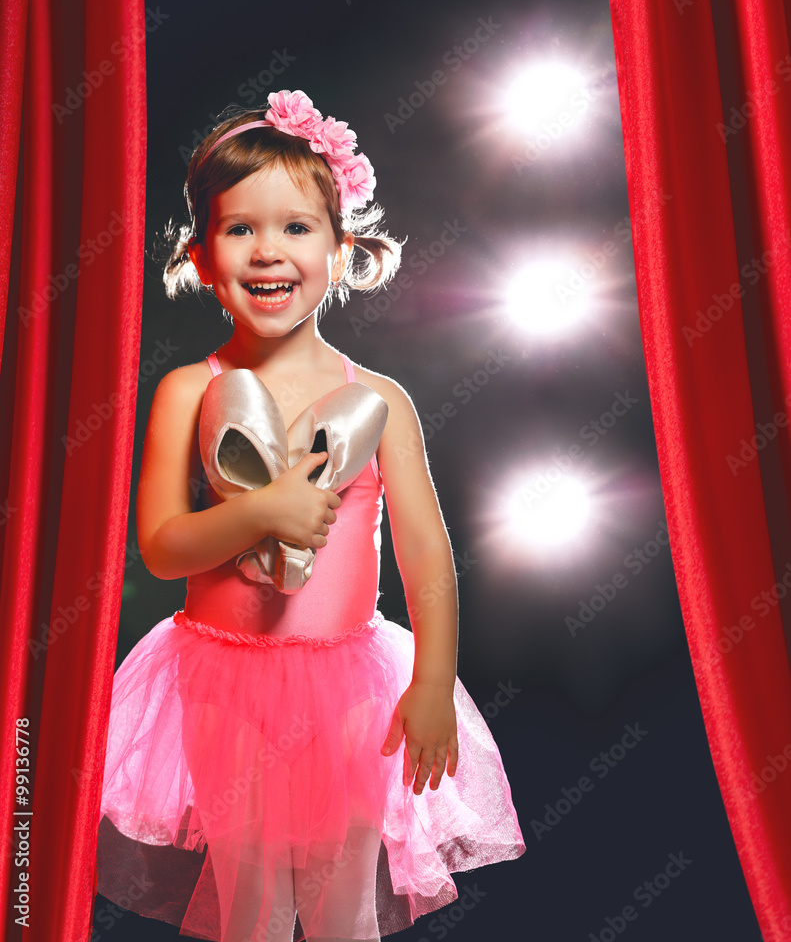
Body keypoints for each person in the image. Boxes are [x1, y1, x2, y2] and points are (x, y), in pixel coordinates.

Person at [96, 89, 524, 942]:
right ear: (203, 257)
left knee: (341, 908)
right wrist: (260, 510)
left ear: (341, 249)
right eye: (239, 228)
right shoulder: (190, 390)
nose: (268, 250)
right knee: (250, 903)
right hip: (219, 680)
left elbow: (425, 556)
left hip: (351, 688)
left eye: (296, 228)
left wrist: (432, 681)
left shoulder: (382, 401)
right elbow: (161, 548)